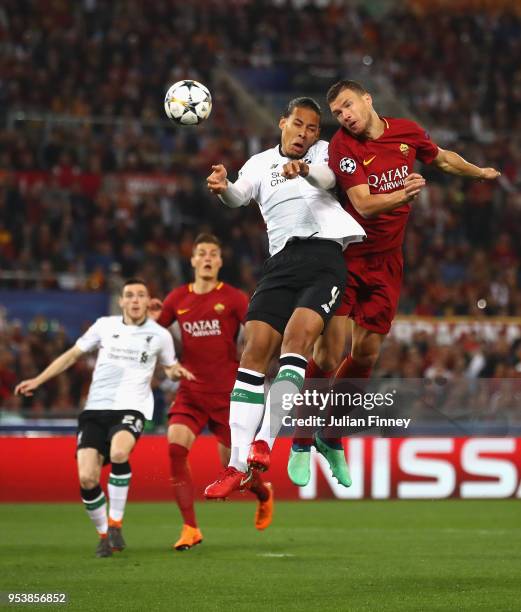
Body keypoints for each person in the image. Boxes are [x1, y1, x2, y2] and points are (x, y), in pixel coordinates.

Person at [286, 79, 501, 487]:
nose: (345, 116)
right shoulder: (343, 147)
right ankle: (299, 440)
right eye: (338, 113)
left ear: (367, 100)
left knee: (366, 354)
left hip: (387, 262)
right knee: (329, 355)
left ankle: (330, 437)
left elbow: (441, 158)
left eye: (348, 105)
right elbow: (364, 204)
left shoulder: (405, 131)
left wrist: (478, 172)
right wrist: (403, 195)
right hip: (346, 257)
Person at [203, 97, 366, 499]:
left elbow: (330, 180)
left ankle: (265, 441)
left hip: (325, 257)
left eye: (313, 128)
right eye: (299, 125)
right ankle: (236, 467)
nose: (305, 134)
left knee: (297, 343)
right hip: (280, 262)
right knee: (253, 352)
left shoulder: (325, 152)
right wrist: (223, 188)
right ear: (283, 123)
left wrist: (307, 169)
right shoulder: (259, 164)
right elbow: (239, 197)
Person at [15, 279, 193, 558]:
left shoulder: (159, 335)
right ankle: (102, 535)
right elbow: (72, 355)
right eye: (129, 296)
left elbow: (170, 368)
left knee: (120, 452)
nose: (135, 300)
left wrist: (176, 373)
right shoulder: (104, 326)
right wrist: (38, 380)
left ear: (148, 302)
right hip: (95, 410)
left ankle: (115, 524)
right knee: (87, 478)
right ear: (121, 302)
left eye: (141, 296)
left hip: (131, 408)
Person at [150, 233, 274, 550]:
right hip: (190, 392)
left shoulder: (233, 298)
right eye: (201, 253)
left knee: (236, 472)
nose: (207, 258)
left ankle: (264, 493)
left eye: (213, 254)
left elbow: (257, 333)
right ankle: (190, 528)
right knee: (176, 449)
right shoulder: (177, 298)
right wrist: (149, 323)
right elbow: (153, 336)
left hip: (226, 397)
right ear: (192, 260)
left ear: (220, 261)